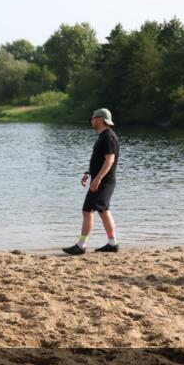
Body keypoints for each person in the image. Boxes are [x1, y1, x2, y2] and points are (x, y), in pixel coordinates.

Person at [63, 108, 120, 255]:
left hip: (103, 181)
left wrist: (98, 178)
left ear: (100, 119)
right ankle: (113, 243)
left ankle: (81, 245)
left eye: (93, 117)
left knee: (87, 211)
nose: (91, 119)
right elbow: (99, 160)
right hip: (103, 180)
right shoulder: (103, 136)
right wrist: (89, 173)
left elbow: (109, 160)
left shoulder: (108, 137)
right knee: (104, 210)